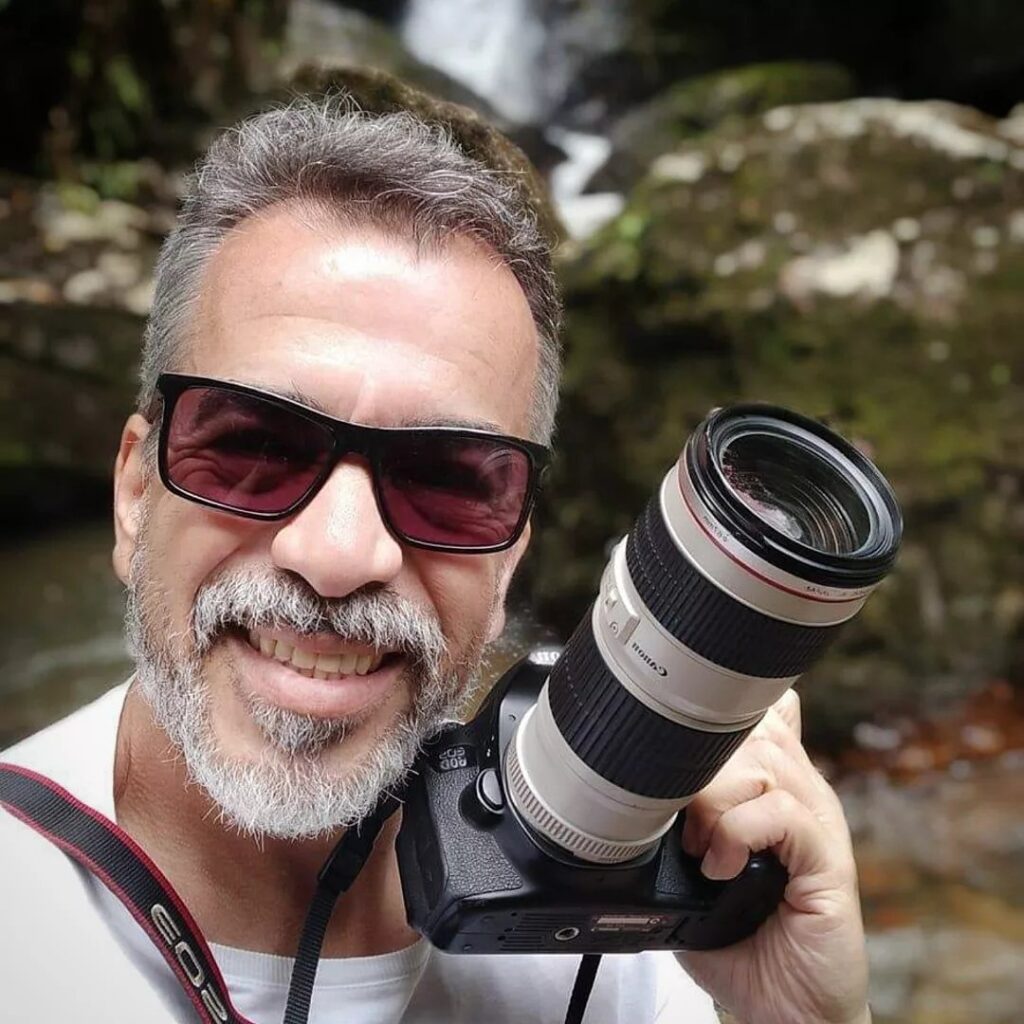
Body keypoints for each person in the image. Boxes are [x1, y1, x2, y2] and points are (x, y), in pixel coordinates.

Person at [0, 95, 872, 1024]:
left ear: (509, 561)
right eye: (255, 446)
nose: (339, 555)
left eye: (446, 480)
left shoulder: (640, 952)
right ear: (136, 494)